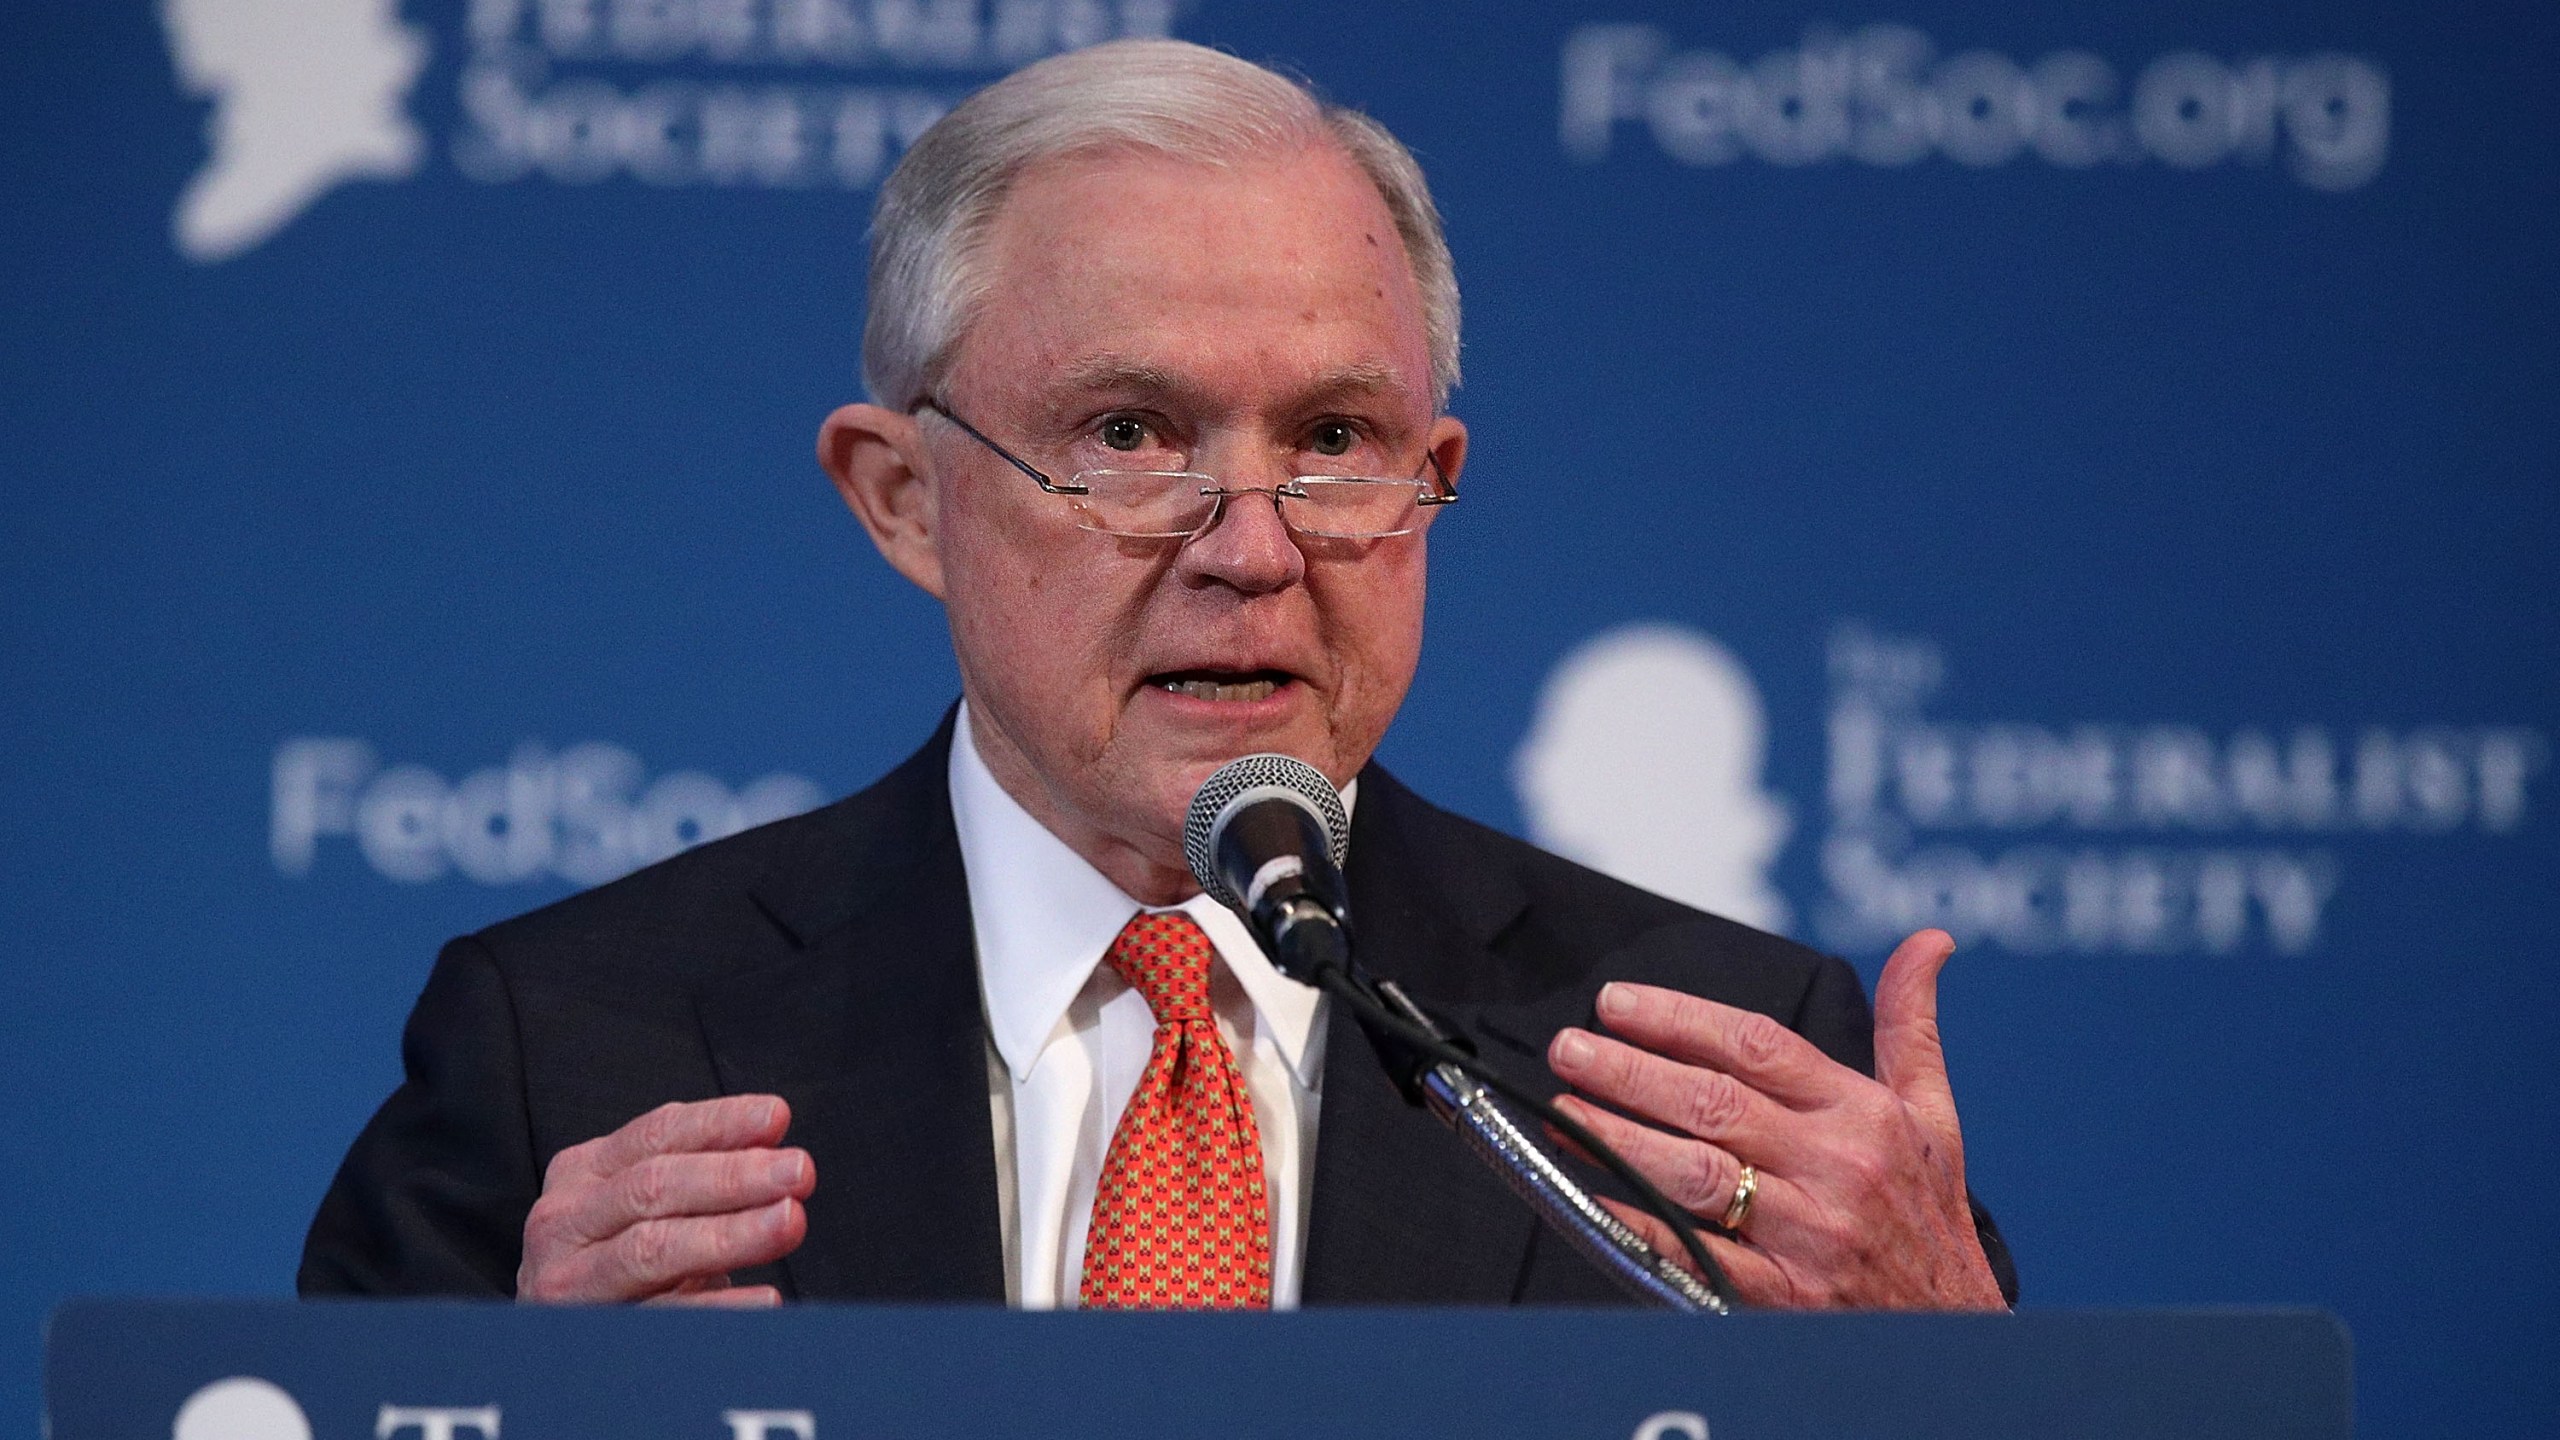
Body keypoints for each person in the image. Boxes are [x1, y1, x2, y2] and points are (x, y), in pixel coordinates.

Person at [301, 38, 2016, 1313]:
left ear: (1435, 482)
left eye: (1337, 439)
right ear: (904, 497)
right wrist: (491, 1421)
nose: (1253, 548)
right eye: (1128, 434)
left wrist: (1962, 1398)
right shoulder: (575, 1057)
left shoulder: (1719, 1076)